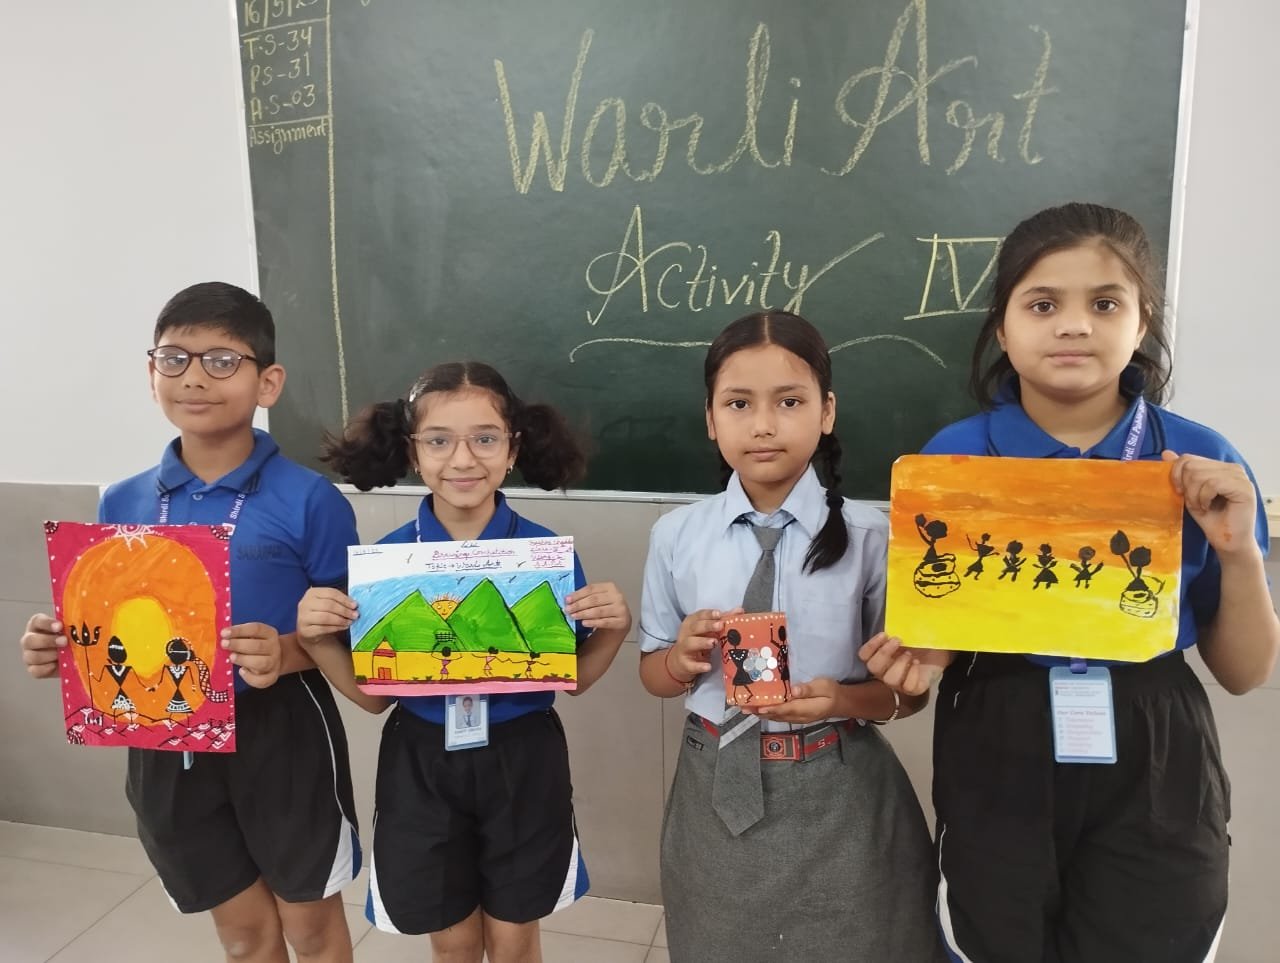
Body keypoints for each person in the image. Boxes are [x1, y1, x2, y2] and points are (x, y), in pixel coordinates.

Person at [861, 202, 1280, 963]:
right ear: (1002, 327)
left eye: (1106, 304)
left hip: (1153, 737)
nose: (1074, 326)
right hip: (1000, 724)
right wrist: (921, 655)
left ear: (1143, 321)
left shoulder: (1200, 461)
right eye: (1043, 304)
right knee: (996, 938)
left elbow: (1244, 672)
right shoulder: (953, 462)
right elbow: (932, 643)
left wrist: (1239, 555)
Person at [19, 282, 361, 962]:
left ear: (268, 382)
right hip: (163, 732)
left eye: (222, 361)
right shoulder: (122, 499)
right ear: (151, 375)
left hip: (280, 731)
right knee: (242, 936)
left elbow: (357, 630)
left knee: (311, 930)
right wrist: (67, 647)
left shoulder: (311, 500)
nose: (195, 377)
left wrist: (289, 651)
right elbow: (114, 623)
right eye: (174, 358)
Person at [295, 361, 632, 963]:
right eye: (439, 441)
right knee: (451, 945)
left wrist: (615, 629)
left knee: (513, 941)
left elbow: (574, 678)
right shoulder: (386, 563)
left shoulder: (542, 555)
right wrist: (318, 641)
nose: (463, 459)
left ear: (513, 449)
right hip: (421, 760)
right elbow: (375, 697)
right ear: (412, 451)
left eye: (484, 438)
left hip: (524, 756)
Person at [637, 311, 944, 961]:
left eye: (790, 401)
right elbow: (653, 676)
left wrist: (843, 698)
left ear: (826, 411)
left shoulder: (872, 537)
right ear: (710, 418)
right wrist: (680, 659)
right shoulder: (676, 536)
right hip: (714, 784)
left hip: (839, 788)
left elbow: (907, 695)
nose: (763, 424)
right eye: (738, 403)